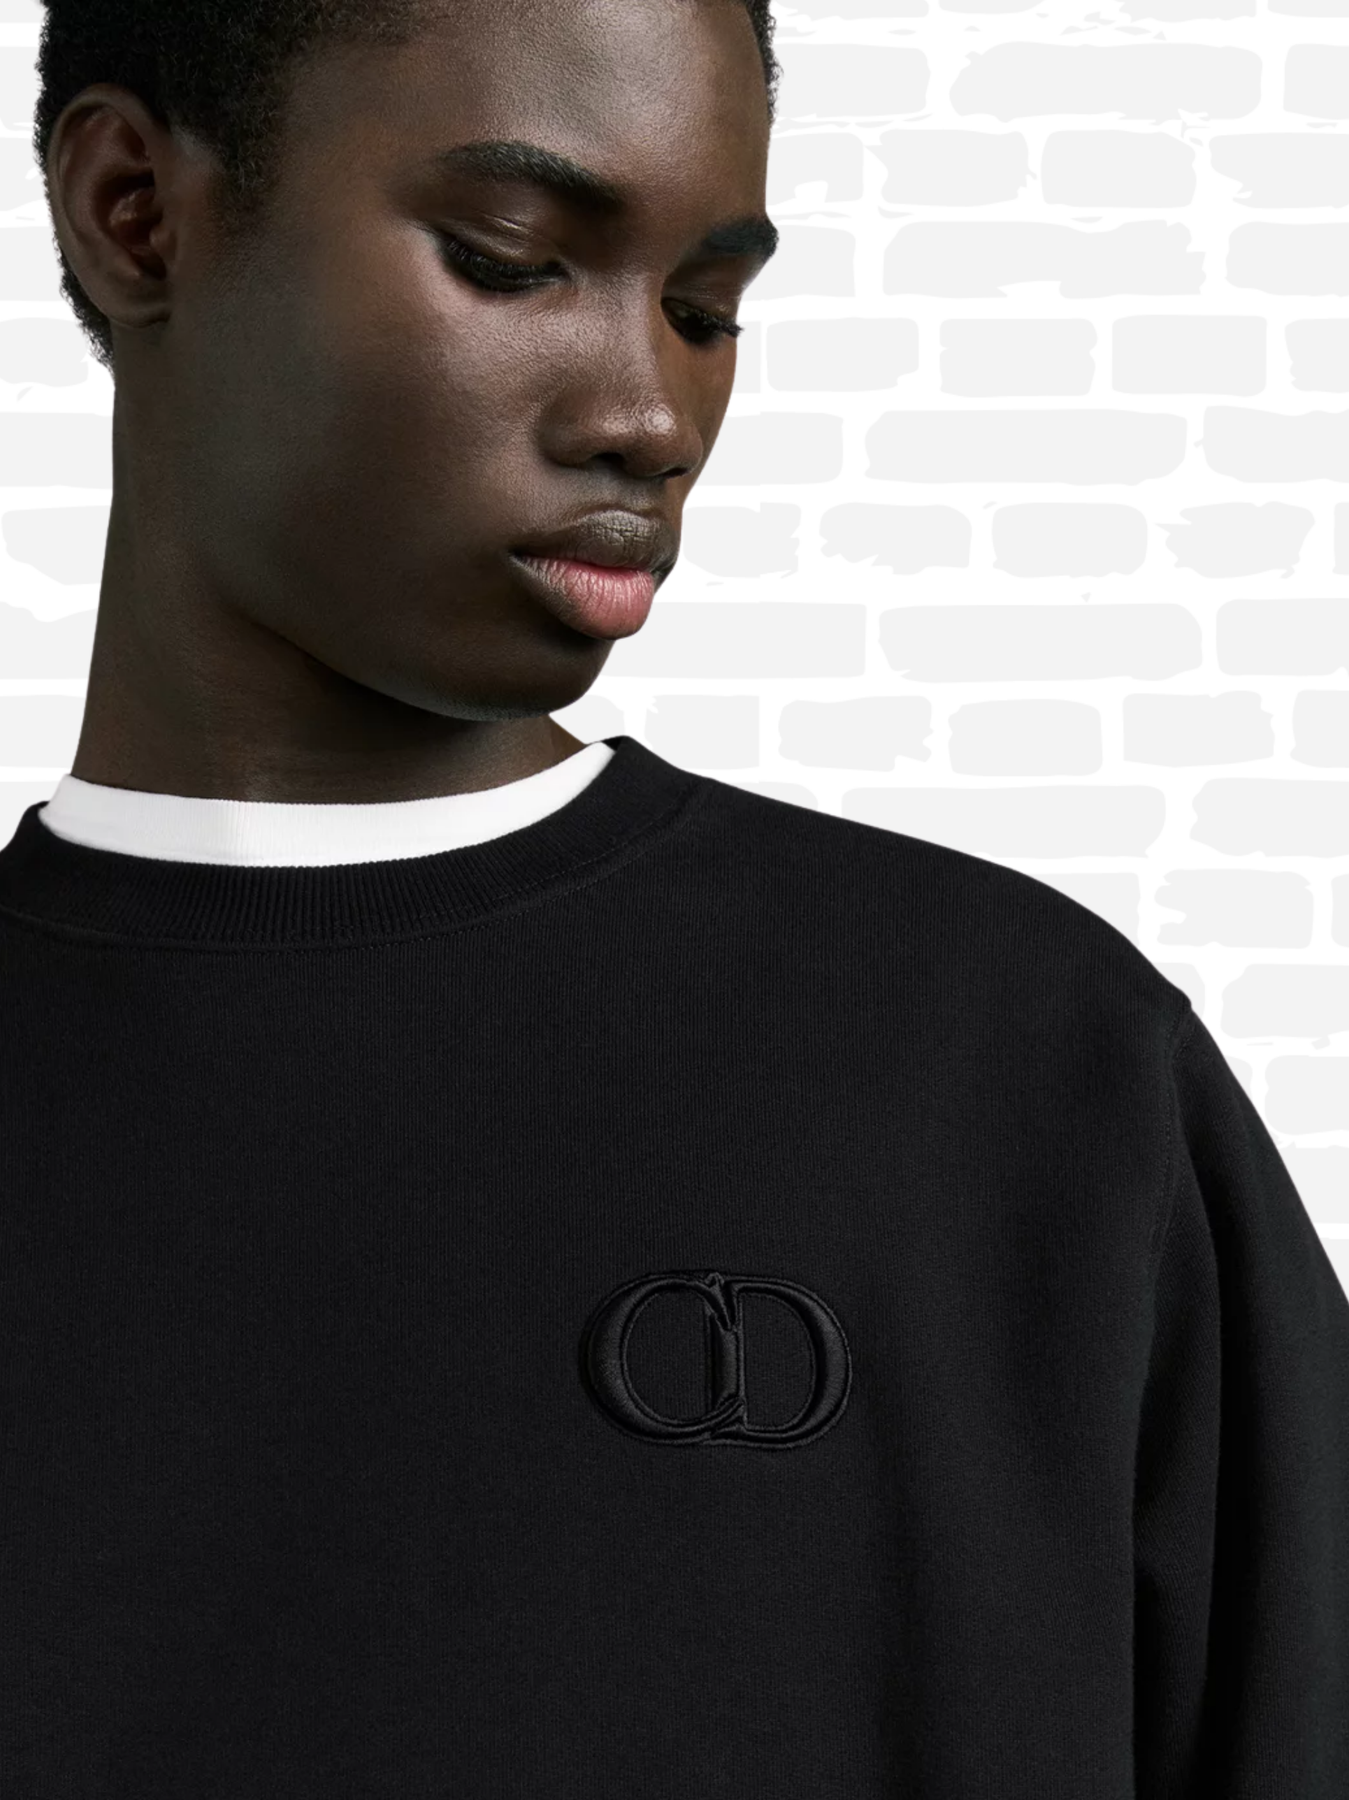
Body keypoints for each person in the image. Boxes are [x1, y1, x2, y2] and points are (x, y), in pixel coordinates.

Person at [1, 4, 1346, 1796]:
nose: (650, 416)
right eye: (515, 261)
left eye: (707, 310)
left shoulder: (1027, 1071)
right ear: (132, 209)